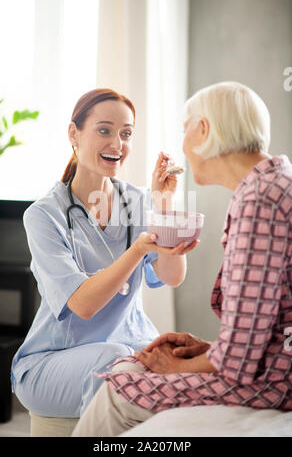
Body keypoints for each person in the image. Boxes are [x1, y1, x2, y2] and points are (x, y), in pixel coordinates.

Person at [72, 81, 292, 437]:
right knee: (129, 370)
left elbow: (238, 358)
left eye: (185, 129)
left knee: (116, 390)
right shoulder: (275, 182)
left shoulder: (258, 202)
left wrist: (177, 365)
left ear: (203, 129)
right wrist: (208, 349)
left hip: (276, 381)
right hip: (275, 365)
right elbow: (265, 326)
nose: (183, 145)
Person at [11, 88, 199, 418]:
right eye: (104, 130)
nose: (117, 144)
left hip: (130, 346)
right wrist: (138, 248)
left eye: (125, 134)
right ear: (74, 134)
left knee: (182, 358)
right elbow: (83, 305)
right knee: (115, 361)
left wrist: (164, 205)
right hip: (54, 361)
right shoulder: (44, 215)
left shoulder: (139, 201)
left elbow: (173, 275)